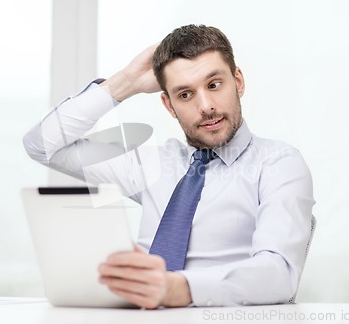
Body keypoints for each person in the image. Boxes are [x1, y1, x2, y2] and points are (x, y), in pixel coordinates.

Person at [23, 24, 315, 309]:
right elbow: (42, 145)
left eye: (214, 85)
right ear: (168, 105)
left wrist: (180, 288)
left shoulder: (278, 163)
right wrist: (125, 83)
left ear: (238, 82)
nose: (206, 106)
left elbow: (279, 273)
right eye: (185, 94)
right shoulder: (150, 164)